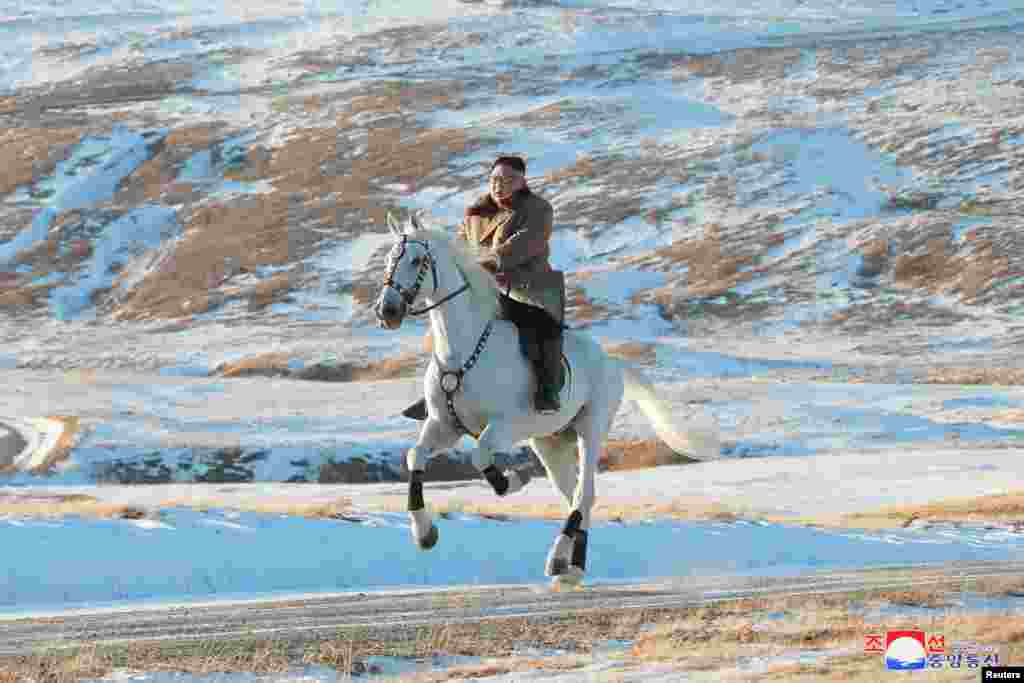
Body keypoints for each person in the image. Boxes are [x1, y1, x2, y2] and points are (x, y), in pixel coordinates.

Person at [402, 155, 566, 420]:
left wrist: (491, 260)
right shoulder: (475, 212)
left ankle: (547, 392)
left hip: (527, 291)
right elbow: (460, 246)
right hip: (484, 289)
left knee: (543, 328)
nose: (499, 185)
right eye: (495, 179)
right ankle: (439, 392)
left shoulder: (538, 209)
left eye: (508, 179)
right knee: (447, 326)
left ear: (522, 182)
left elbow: (526, 242)